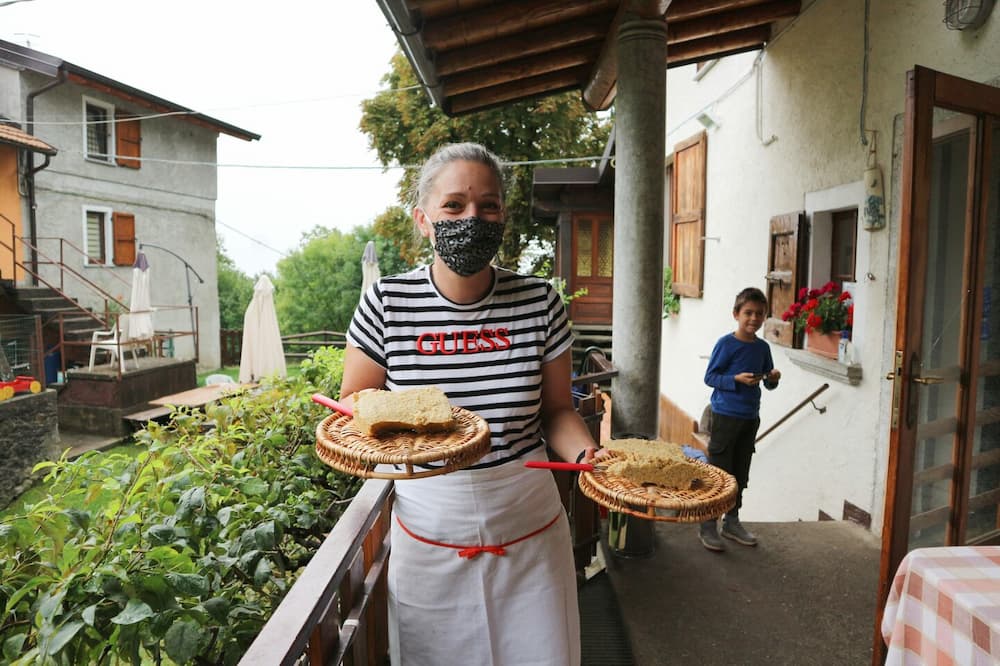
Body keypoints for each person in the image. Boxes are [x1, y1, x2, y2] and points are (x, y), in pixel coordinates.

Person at [340, 142, 600, 665]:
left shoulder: (539, 301)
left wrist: (586, 458)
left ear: (504, 216)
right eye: (454, 206)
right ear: (423, 219)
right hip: (429, 520)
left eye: (489, 206)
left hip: (529, 520)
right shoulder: (387, 303)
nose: (472, 218)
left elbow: (557, 412)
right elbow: (355, 408)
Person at [698, 287, 781, 552]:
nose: (753, 318)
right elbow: (710, 377)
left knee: (740, 473)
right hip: (724, 417)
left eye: (759, 313)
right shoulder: (726, 344)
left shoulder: (763, 348)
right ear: (736, 314)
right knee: (719, 473)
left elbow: (767, 382)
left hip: (750, 418)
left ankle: (732, 522)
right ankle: (709, 524)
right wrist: (735, 379)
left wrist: (773, 379)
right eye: (748, 313)